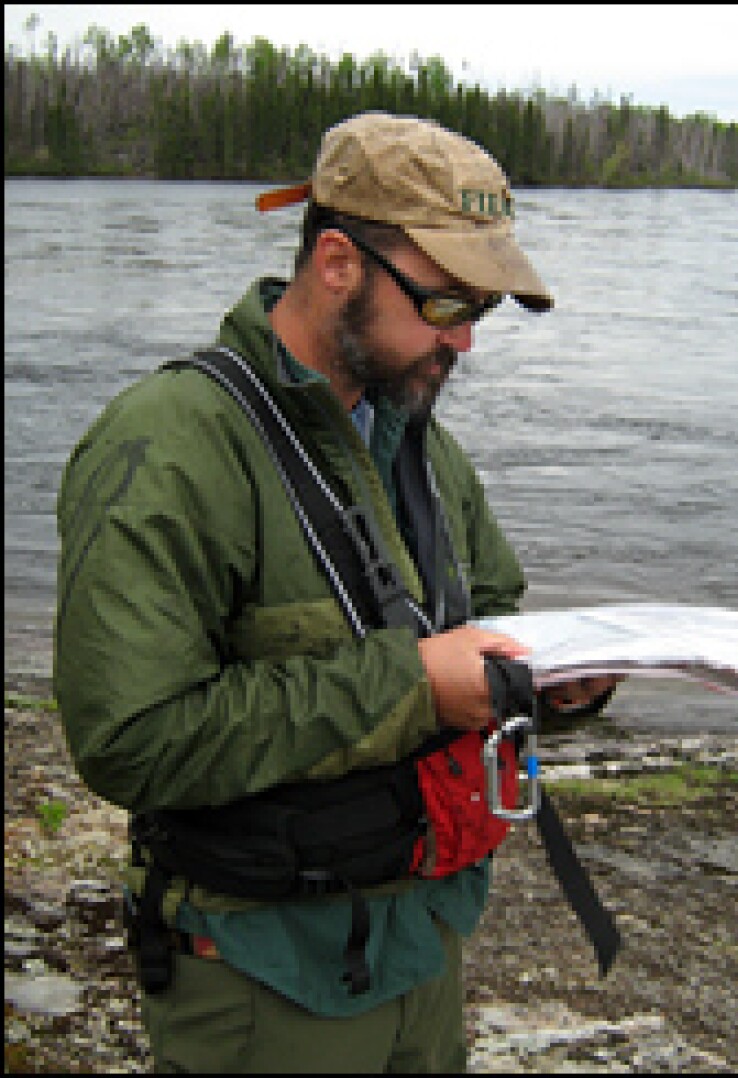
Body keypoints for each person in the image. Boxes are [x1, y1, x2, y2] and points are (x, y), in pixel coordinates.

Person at [54, 111, 618, 1073]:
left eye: (482, 308)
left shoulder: (421, 440)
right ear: (337, 262)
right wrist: (415, 687)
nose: (468, 343)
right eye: (446, 305)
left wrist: (553, 681)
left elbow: (487, 613)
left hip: (425, 949)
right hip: (261, 981)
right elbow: (131, 741)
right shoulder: (168, 445)